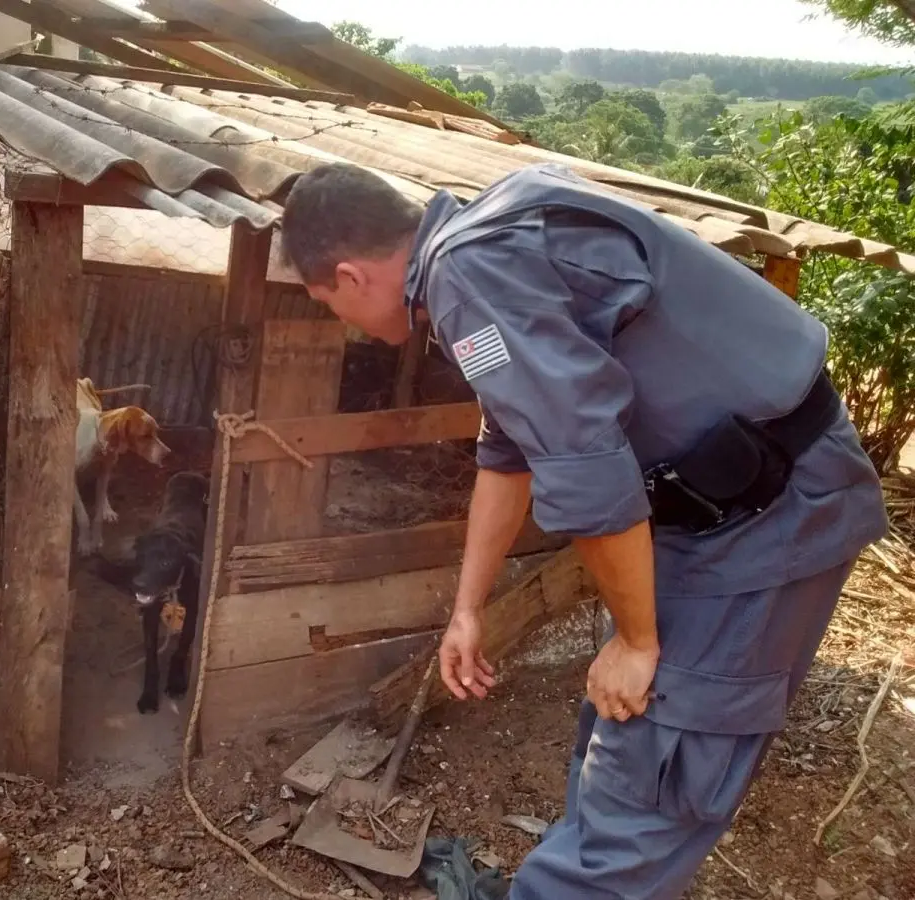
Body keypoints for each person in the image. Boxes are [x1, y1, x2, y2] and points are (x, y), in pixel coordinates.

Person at [279, 161, 889, 899]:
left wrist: (638, 641)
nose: (359, 336)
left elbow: (585, 467)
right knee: (620, 735)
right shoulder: (490, 232)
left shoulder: (467, 273)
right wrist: (468, 610)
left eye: (333, 309)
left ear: (349, 275)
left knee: (655, 778)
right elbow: (509, 450)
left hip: (768, 518)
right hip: (720, 508)